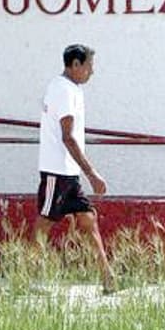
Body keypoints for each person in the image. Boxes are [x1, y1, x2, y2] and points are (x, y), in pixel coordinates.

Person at [33, 44, 117, 294]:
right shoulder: (61, 90)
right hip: (56, 171)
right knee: (45, 223)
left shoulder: (72, 90)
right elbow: (67, 137)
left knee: (88, 220)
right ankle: (26, 275)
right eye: (89, 66)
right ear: (76, 65)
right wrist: (92, 173)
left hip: (70, 173)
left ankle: (107, 277)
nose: (92, 72)